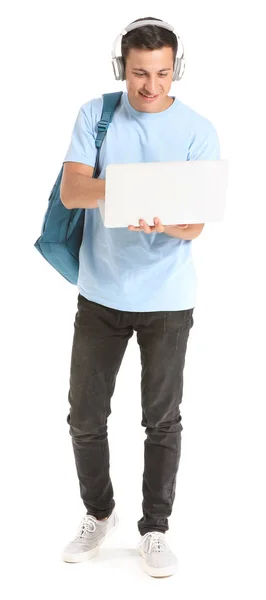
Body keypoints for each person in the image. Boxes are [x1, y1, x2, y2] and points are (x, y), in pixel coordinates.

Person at [60, 16, 220, 578]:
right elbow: (74, 188)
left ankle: (154, 529)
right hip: (100, 292)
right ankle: (99, 513)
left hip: (168, 298)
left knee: (162, 419)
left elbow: (196, 224)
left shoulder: (198, 129)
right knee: (84, 415)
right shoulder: (96, 116)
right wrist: (134, 189)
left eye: (161, 72)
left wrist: (164, 219)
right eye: (138, 73)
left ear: (176, 68)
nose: (151, 86)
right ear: (120, 69)